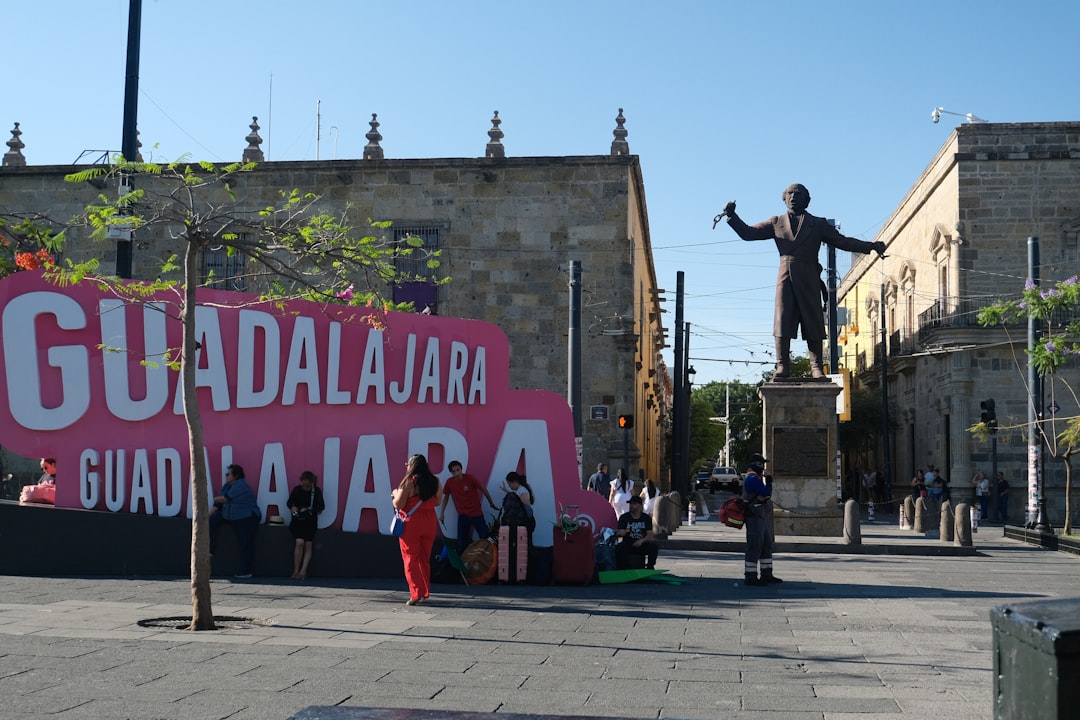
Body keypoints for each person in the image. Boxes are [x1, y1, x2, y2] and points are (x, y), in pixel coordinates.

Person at [722, 185, 885, 380]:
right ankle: (782, 366)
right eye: (789, 194)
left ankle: (816, 366)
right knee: (782, 319)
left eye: (798, 194)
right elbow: (748, 233)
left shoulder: (818, 224)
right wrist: (732, 216)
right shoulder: (776, 222)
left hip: (809, 275)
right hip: (785, 275)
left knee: (813, 320)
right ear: (784, 199)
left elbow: (843, 242)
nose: (793, 197)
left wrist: (871, 246)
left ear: (807, 200)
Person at [392, 453, 441, 605]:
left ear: (412, 466)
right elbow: (437, 502)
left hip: (412, 522)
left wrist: (395, 494)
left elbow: (398, 504)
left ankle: (415, 593)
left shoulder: (409, 482)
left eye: (408, 464)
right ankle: (425, 591)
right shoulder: (436, 481)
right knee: (424, 558)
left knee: (410, 557)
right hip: (430, 520)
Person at [209, 464, 262, 579]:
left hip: (246, 518)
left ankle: (246, 571)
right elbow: (218, 505)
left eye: (228, 474)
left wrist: (210, 497)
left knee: (245, 544)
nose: (226, 476)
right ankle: (210, 550)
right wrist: (206, 516)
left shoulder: (241, 485)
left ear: (236, 476)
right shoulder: (227, 486)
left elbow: (225, 499)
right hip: (231, 516)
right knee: (212, 521)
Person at [439, 460, 498, 550]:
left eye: (458, 470)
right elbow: (446, 496)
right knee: (462, 541)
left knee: (484, 537)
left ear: (461, 469)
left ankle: (489, 558)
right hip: (463, 515)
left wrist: (491, 503)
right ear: (451, 472)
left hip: (476, 513)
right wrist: (442, 513)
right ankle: (463, 561)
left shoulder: (470, 478)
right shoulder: (450, 482)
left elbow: (483, 489)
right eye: (454, 471)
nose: (456, 473)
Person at [742, 453, 780, 586]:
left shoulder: (755, 477)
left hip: (761, 515)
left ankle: (766, 573)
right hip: (754, 515)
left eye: (763, 464)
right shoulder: (752, 478)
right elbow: (765, 493)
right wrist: (769, 482)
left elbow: (764, 496)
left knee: (766, 544)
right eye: (760, 464)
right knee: (755, 545)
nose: (763, 467)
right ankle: (751, 576)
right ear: (754, 465)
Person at [287, 470, 325, 580]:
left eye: (307, 485)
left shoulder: (316, 492)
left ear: (312, 483)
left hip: (310, 521)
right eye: (303, 484)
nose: (305, 487)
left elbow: (321, 506)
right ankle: (296, 570)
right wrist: (294, 508)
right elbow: (289, 502)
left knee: (308, 544)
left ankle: (303, 571)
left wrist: (309, 510)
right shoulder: (297, 490)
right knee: (299, 542)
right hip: (298, 520)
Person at [615, 495, 659, 569]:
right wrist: (621, 533)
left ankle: (650, 566)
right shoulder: (624, 517)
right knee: (619, 548)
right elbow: (619, 532)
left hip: (642, 543)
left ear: (640, 506)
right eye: (630, 504)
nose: (631, 506)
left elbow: (650, 535)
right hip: (628, 543)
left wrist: (641, 541)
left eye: (634, 504)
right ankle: (621, 568)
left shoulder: (646, 518)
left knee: (653, 546)